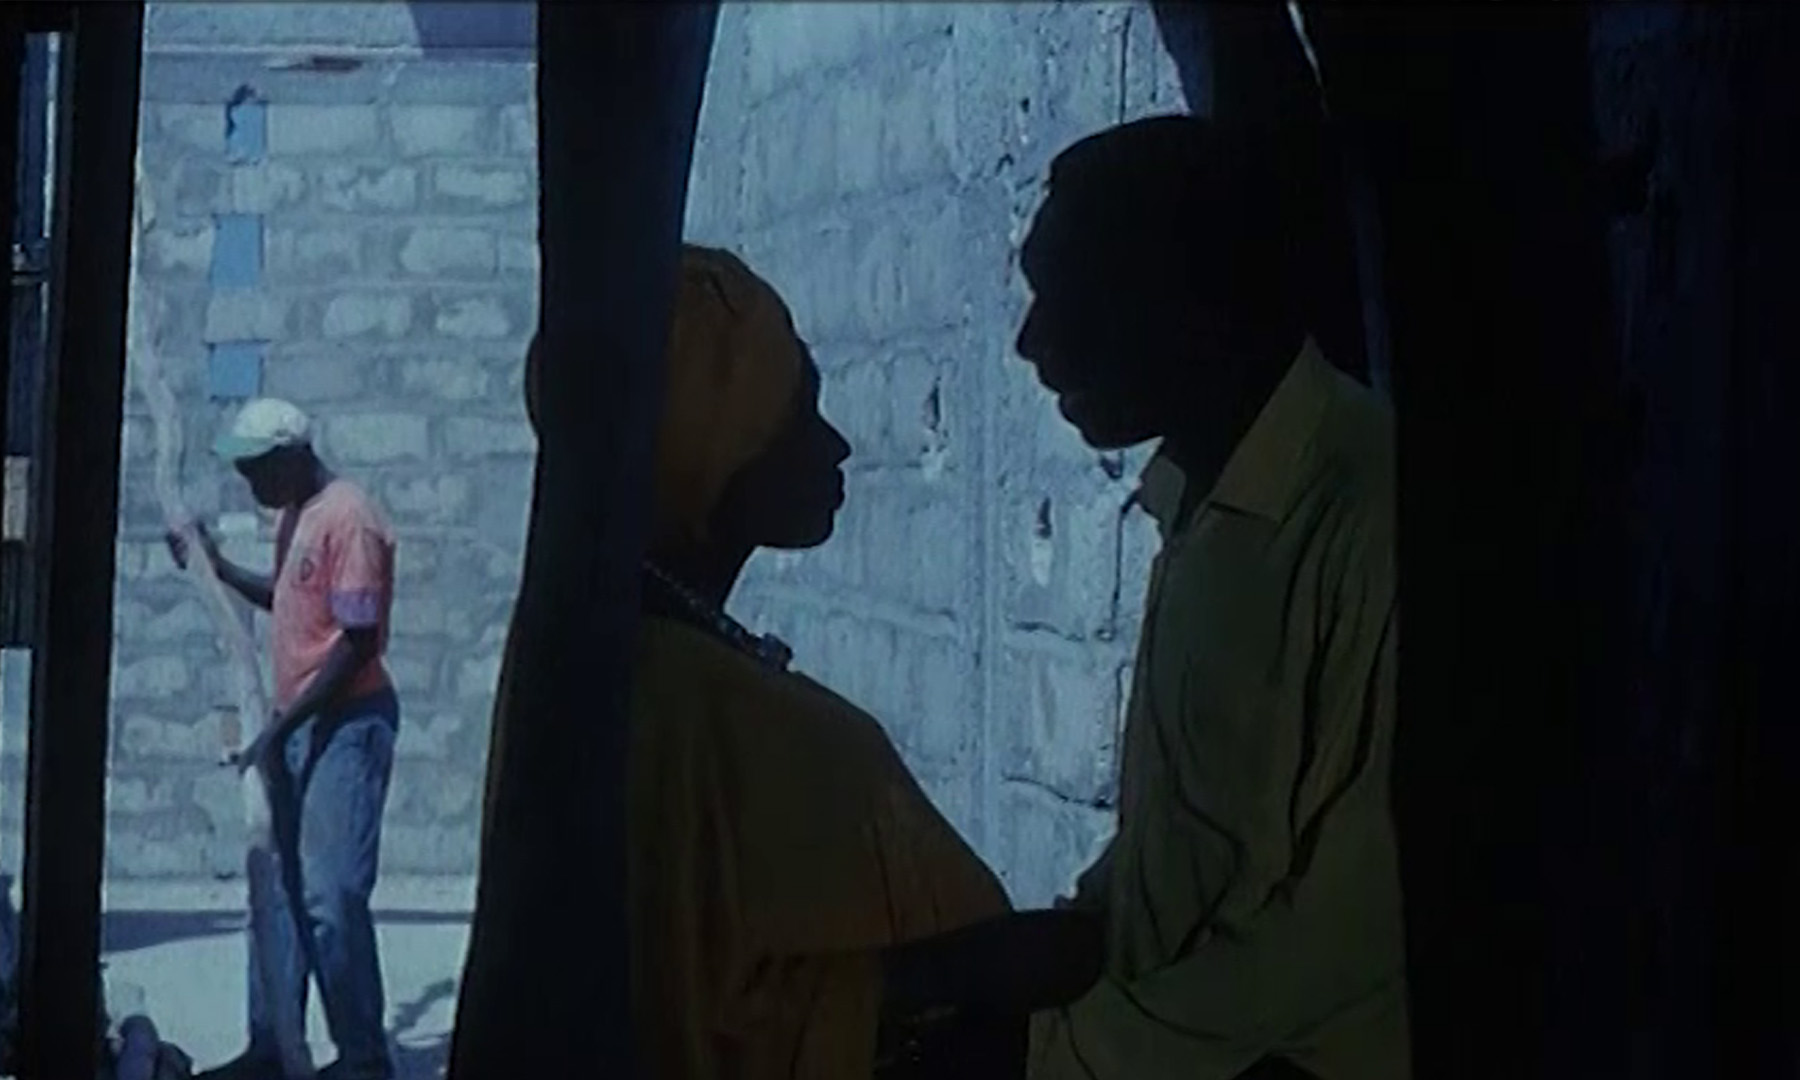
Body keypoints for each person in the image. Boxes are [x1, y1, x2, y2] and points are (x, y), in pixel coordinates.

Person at [489, 245, 1102, 1079]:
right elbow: (693, 1011)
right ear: (712, 439)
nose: (836, 444)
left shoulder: (593, 653)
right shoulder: (691, 700)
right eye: (799, 408)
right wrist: (954, 971)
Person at [1016, 115, 1408, 1079]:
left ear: (1188, 299)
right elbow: (1197, 847)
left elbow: (1344, 937)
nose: (1033, 343)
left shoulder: (1366, 506)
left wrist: (1057, 1054)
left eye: (1076, 297)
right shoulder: (1193, 501)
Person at [168, 398, 399, 1080]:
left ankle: (363, 1060)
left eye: (258, 470)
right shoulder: (299, 516)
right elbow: (293, 600)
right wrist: (216, 566)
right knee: (277, 891)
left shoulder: (350, 517)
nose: (251, 485)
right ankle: (274, 1044)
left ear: (294, 456)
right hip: (298, 724)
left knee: (331, 895)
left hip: (345, 724)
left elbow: (357, 643)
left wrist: (280, 729)